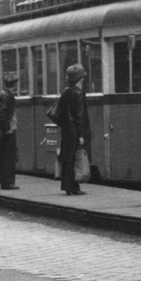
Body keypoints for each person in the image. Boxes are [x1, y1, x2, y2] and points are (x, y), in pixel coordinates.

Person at [51, 63, 90, 196]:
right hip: (74, 130)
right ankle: (75, 187)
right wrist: (81, 134)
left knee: (67, 158)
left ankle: (68, 186)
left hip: (66, 129)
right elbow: (79, 116)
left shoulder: (65, 92)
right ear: (80, 78)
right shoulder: (78, 94)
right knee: (75, 158)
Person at [0, 75, 20, 189]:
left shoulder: (5, 95)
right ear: (14, 85)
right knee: (8, 156)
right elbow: (1, 113)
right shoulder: (6, 96)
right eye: (15, 84)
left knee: (8, 156)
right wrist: (7, 128)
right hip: (8, 130)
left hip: (9, 129)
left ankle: (6, 182)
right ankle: (7, 182)